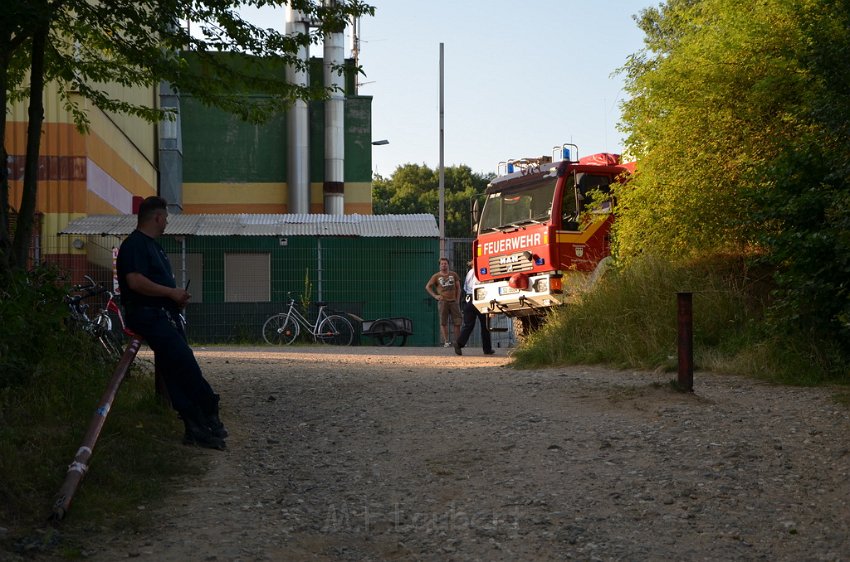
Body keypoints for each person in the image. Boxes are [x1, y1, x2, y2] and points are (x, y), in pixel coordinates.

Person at [117, 196, 227, 450]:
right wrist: (170, 293)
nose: (167, 221)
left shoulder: (154, 246)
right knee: (184, 363)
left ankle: (195, 426)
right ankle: (207, 410)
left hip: (162, 314)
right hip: (148, 315)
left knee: (174, 368)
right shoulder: (135, 245)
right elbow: (135, 281)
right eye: (165, 217)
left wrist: (174, 297)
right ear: (157, 217)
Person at [454, 262, 495, 356]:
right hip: (480, 299)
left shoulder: (469, 273)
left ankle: (459, 343)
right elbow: (485, 285)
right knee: (485, 325)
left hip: (469, 300)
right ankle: (487, 349)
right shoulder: (481, 271)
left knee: (468, 325)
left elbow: (465, 288)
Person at [425, 257, 462, 347]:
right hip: (443, 302)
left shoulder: (454, 274)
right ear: (439, 265)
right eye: (442, 264)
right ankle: (446, 341)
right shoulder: (436, 276)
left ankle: (458, 342)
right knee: (443, 322)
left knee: (457, 322)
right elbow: (428, 287)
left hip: (453, 302)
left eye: (445, 263)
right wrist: (435, 296)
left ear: (448, 264)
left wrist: (457, 300)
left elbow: (458, 288)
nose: (444, 265)